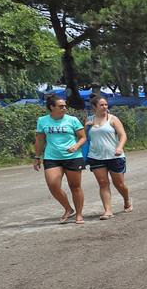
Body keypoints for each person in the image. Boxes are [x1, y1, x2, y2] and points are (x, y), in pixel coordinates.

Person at [33, 93, 87, 223]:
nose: (64, 108)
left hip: (72, 156)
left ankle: (79, 214)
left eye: (65, 106)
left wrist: (76, 146)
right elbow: (40, 140)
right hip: (52, 157)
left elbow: (83, 137)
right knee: (53, 184)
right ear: (52, 107)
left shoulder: (72, 120)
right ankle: (68, 208)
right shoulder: (43, 121)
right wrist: (37, 156)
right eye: (61, 106)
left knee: (75, 186)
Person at [86, 95, 132, 219]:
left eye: (106, 104)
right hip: (95, 156)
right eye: (101, 105)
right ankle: (108, 210)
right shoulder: (89, 120)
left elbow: (123, 135)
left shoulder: (113, 119)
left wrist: (119, 147)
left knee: (119, 184)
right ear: (94, 107)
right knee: (103, 183)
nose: (105, 107)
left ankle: (126, 199)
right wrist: (86, 127)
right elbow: (84, 137)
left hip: (114, 156)